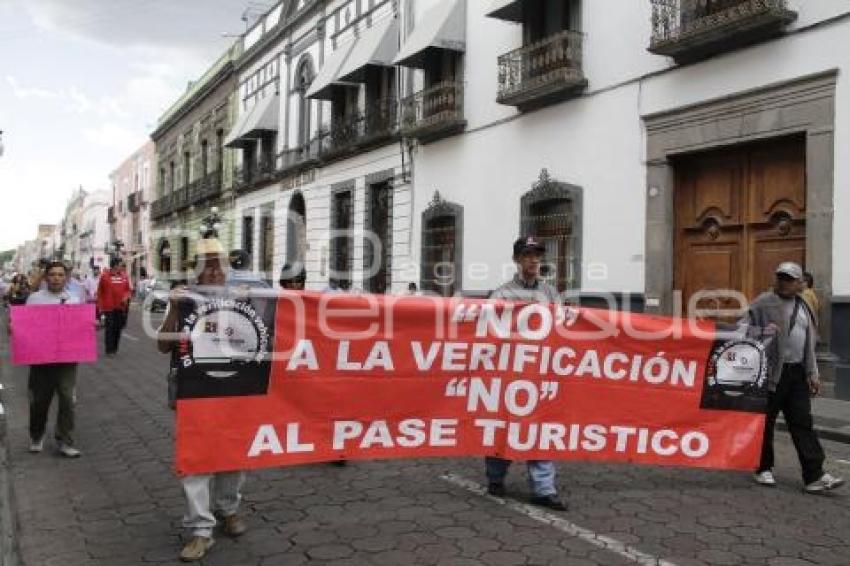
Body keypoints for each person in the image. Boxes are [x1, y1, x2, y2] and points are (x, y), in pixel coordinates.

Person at [157, 236, 247, 562]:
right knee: (195, 459)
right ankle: (200, 530)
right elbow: (164, 346)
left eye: (218, 265)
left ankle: (229, 510)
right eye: (205, 266)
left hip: (233, 390)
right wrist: (173, 308)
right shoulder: (184, 298)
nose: (212, 272)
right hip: (193, 391)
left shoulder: (244, 297)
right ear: (195, 270)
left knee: (232, 454)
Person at [484, 236, 567, 511]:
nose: (534, 260)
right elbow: (488, 329)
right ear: (517, 260)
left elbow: (564, 326)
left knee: (540, 428)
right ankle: (495, 478)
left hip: (539, 373)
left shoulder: (551, 294)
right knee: (503, 427)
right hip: (509, 375)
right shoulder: (501, 294)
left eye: (537, 255)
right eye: (528, 255)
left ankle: (544, 489)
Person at [750, 262, 843, 493]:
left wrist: (813, 372)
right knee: (766, 422)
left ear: (800, 283)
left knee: (803, 423)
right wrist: (762, 332)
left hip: (797, 373)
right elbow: (742, 330)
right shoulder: (763, 302)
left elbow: (808, 343)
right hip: (771, 373)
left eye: (789, 279)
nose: (783, 282)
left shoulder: (805, 305)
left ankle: (814, 476)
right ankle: (763, 467)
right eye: (780, 277)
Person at [13, 262, 83, 458]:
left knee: (68, 400)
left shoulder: (74, 299)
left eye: (60, 275)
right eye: (52, 274)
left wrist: (90, 326)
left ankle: (65, 440)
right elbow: (26, 328)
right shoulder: (35, 299)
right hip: (41, 360)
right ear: (46, 278)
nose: (56, 278)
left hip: (67, 359)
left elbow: (79, 328)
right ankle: (36, 435)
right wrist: (15, 328)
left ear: (66, 278)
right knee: (39, 401)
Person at [97, 257, 132, 356]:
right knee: (109, 328)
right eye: (120, 264)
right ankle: (109, 350)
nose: (122, 266)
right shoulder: (104, 276)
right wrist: (100, 306)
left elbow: (128, 290)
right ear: (115, 265)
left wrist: (126, 297)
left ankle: (115, 348)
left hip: (120, 307)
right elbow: (100, 292)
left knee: (118, 328)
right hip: (108, 307)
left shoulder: (124, 276)